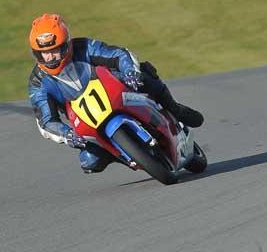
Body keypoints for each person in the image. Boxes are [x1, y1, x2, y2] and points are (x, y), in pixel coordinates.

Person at [28, 13, 204, 174]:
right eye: (43, 53)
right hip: (84, 118)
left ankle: (173, 108)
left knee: (144, 74)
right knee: (90, 161)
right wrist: (66, 134)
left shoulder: (83, 47)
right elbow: (46, 121)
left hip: (111, 88)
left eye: (54, 50)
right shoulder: (38, 81)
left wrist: (130, 72)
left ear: (67, 45)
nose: (49, 57)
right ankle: (126, 153)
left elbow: (119, 55)